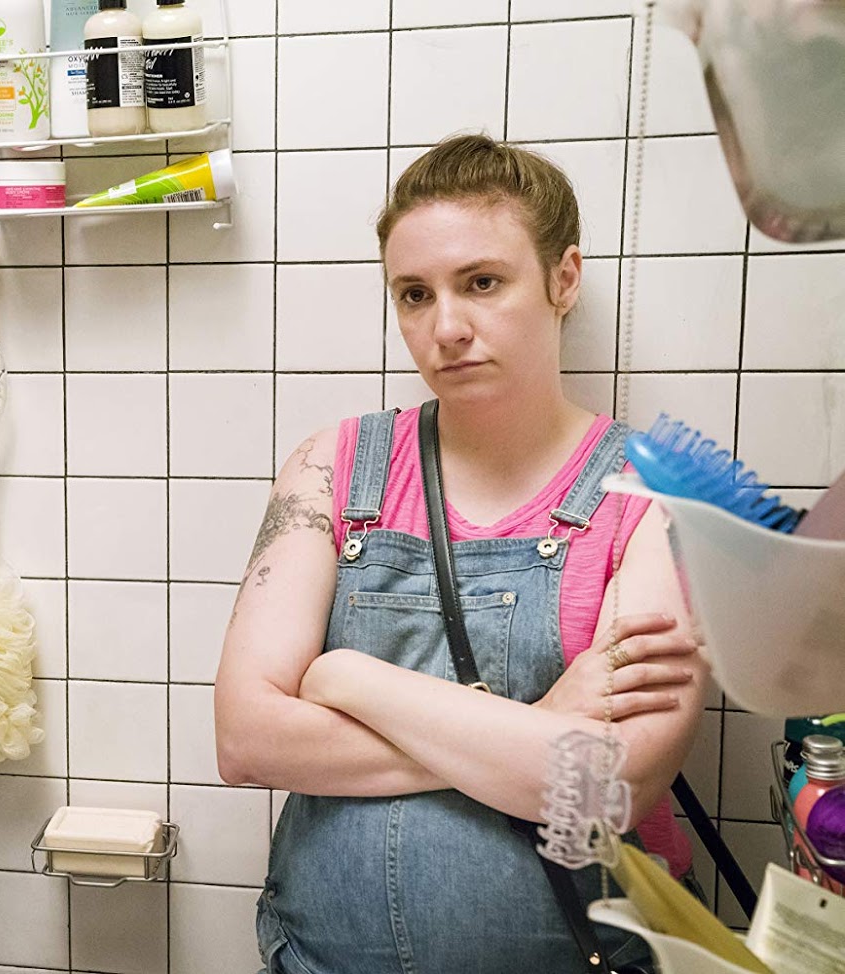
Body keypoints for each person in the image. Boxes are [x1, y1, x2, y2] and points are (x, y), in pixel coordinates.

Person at [214, 134, 708, 974]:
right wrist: (539, 728)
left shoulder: (658, 494)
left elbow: (603, 792)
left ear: (563, 279)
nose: (445, 328)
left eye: (482, 282)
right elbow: (246, 740)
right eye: (415, 294)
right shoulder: (332, 467)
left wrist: (349, 681)